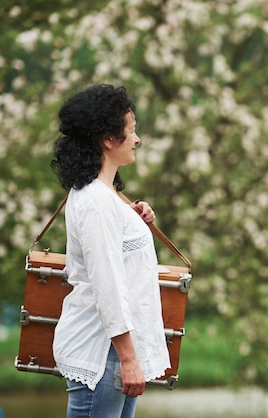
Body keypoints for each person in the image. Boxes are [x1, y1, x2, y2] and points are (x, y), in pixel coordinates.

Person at [51, 84, 170, 418]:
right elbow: (107, 284)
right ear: (107, 139)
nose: (137, 139)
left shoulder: (105, 198)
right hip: (104, 351)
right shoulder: (97, 203)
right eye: (130, 131)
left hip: (114, 350)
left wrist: (131, 220)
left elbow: (112, 250)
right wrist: (129, 359)